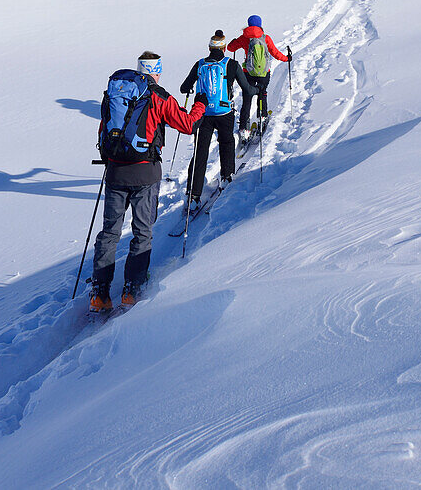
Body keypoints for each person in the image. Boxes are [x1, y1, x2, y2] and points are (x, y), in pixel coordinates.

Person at [90, 51, 207, 312]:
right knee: (142, 232)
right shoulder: (158, 96)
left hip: (116, 173)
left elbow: (103, 129)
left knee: (110, 233)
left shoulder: (115, 92)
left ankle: (99, 293)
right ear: (157, 71)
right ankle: (132, 290)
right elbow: (188, 125)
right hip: (146, 173)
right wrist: (200, 104)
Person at [179, 30, 257, 212]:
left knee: (200, 151)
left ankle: (193, 194)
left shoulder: (200, 64)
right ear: (224, 48)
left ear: (209, 48)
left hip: (203, 114)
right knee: (227, 143)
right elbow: (246, 89)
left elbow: (184, 87)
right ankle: (227, 176)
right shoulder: (231, 64)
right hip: (224, 112)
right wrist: (257, 90)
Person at [228, 16, 291, 143]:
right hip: (263, 73)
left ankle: (243, 129)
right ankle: (262, 116)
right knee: (262, 93)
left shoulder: (244, 38)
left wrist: (234, 41)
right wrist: (287, 58)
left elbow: (230, 48)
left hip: (248, 72)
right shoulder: (265, 37)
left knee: (247, 96)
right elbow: (275, 53)